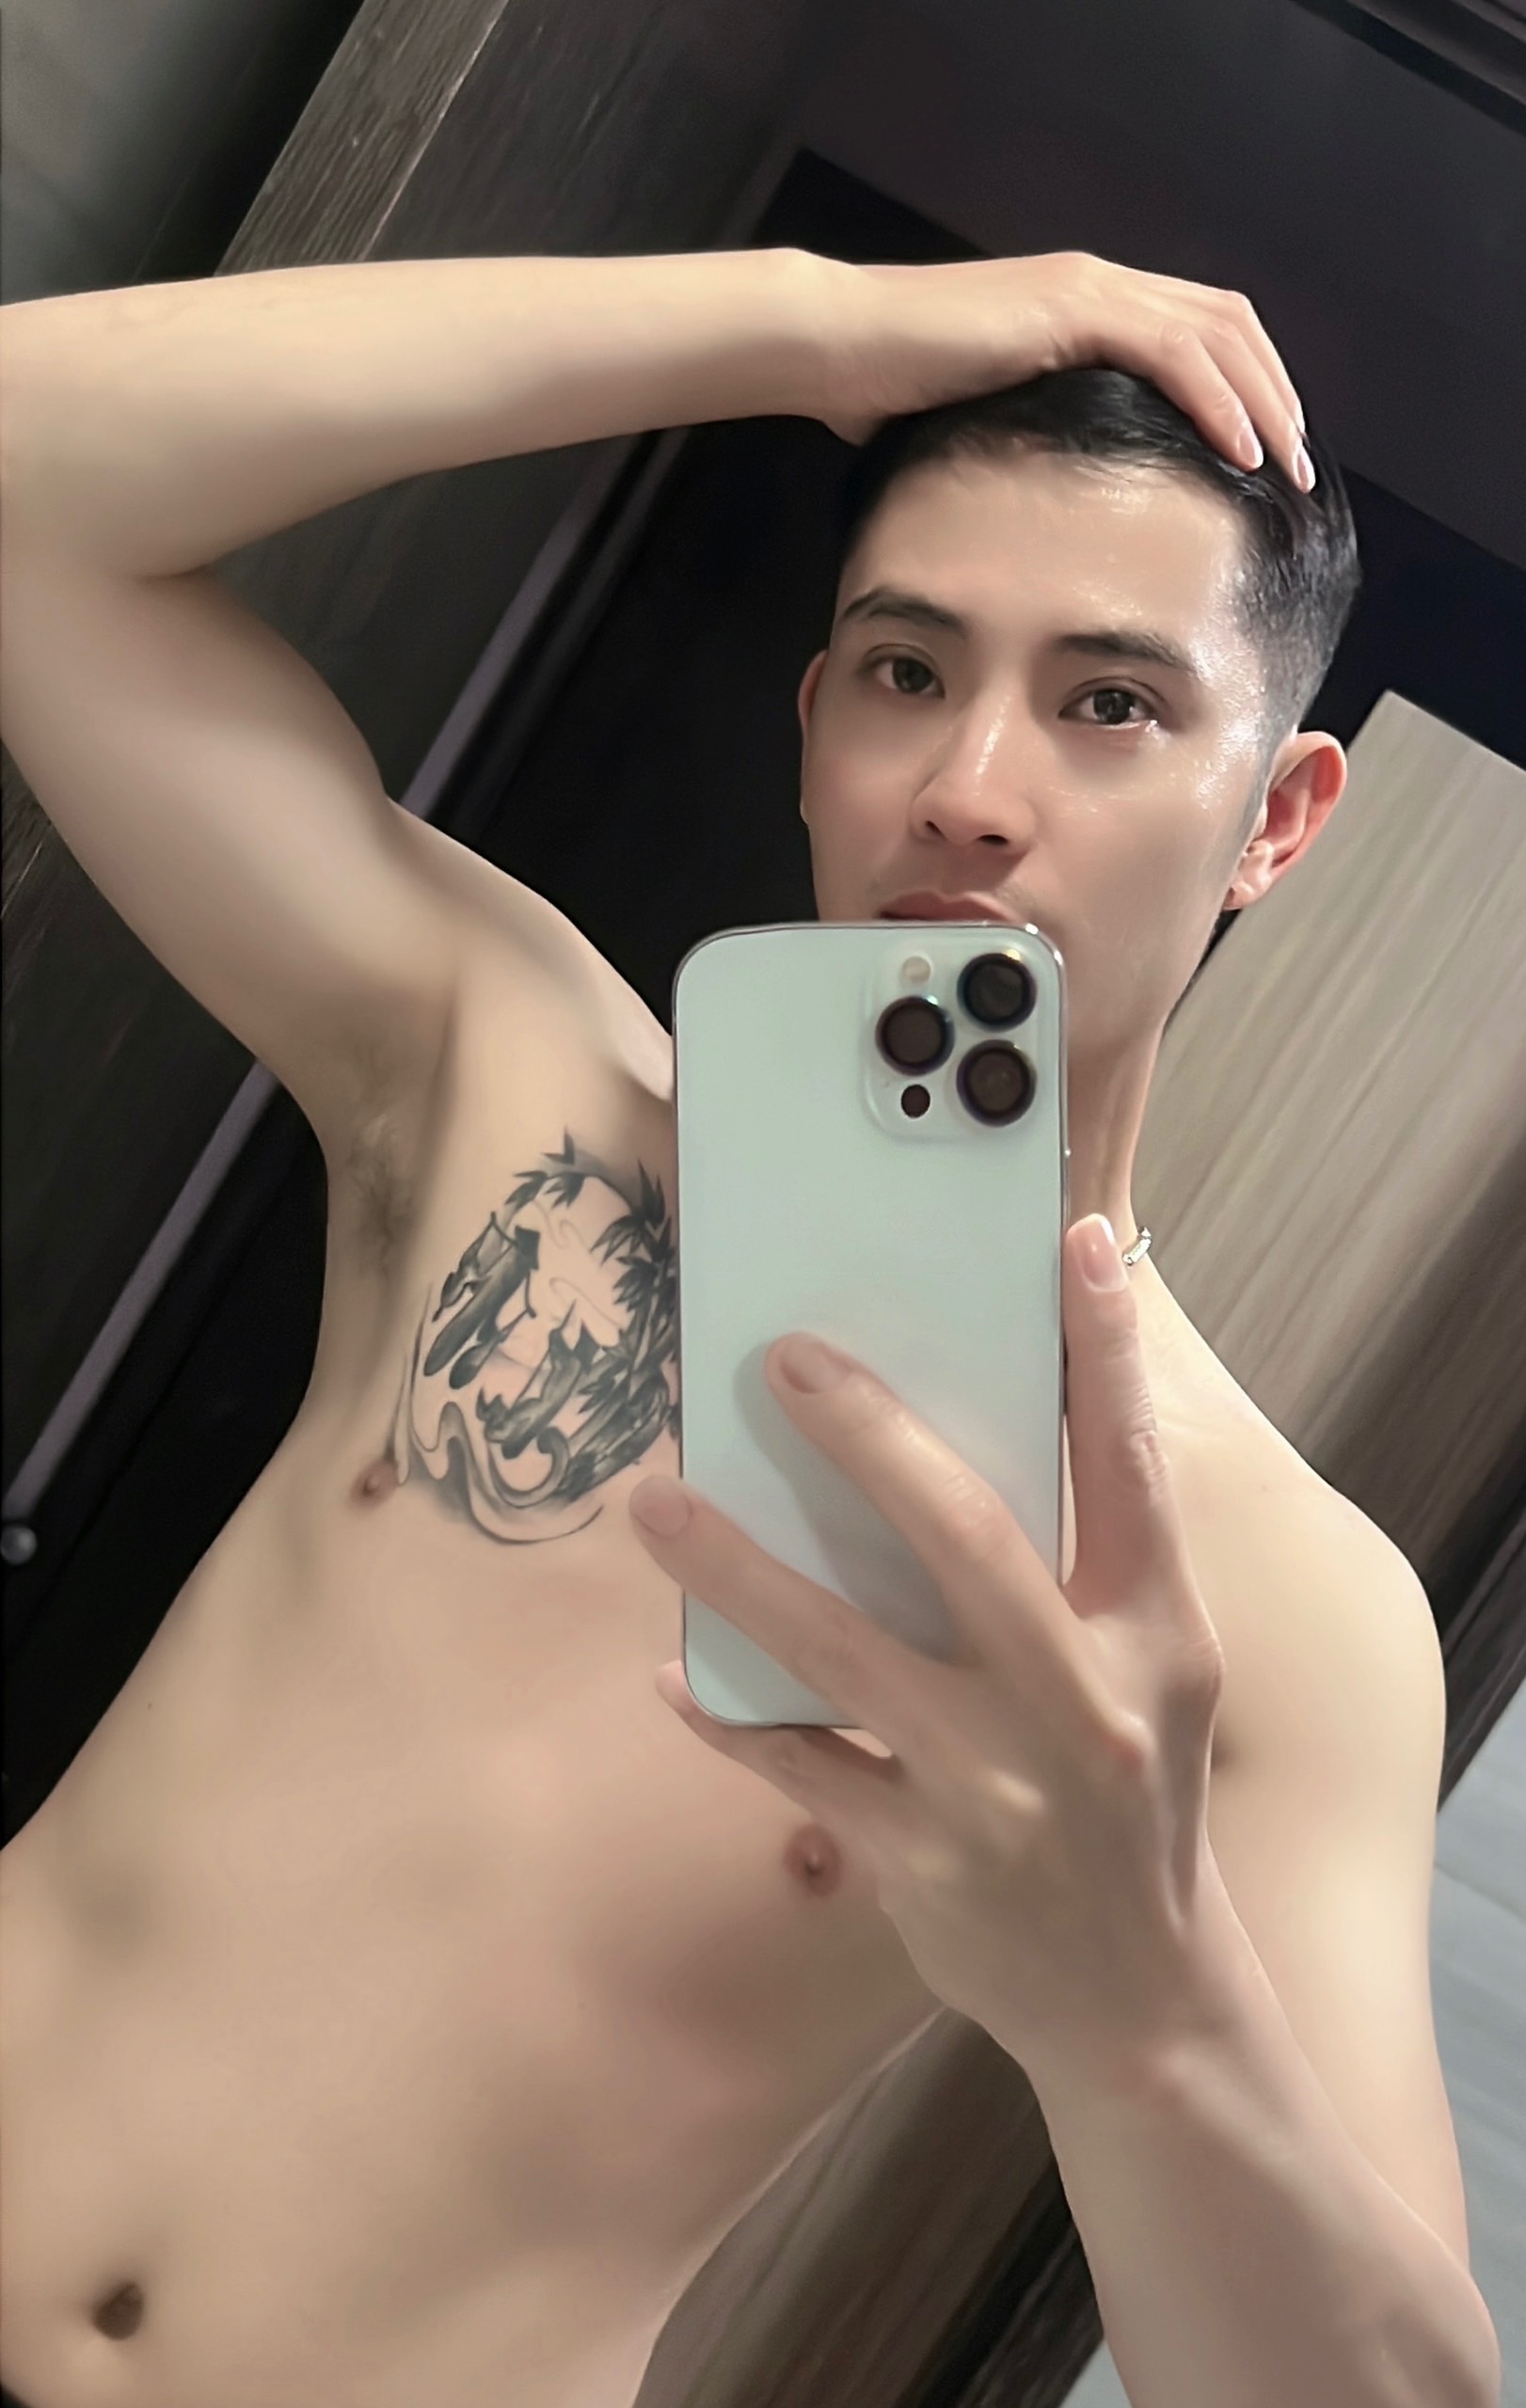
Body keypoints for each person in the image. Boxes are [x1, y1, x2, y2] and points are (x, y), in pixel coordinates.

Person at [0, 248, 1499, 2408]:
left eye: (1108, 704)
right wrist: (804, 324)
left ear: (1273, 814)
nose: (967, 783)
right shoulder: (503, 1074)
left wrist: (1142, 1999)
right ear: (812, 727)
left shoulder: (1261, 1597)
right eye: (904, 668)